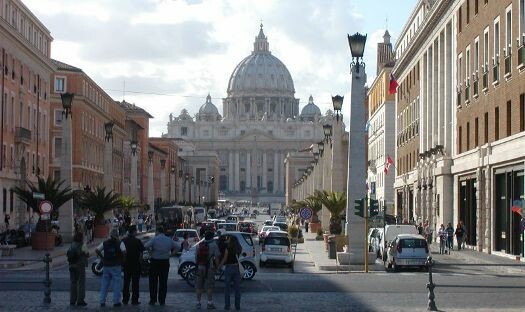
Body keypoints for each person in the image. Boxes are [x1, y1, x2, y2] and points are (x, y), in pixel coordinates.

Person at [144, 226, 177, 306]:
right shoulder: (169, 240)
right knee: (163, 282)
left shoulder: (154, 239)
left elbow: (146, 246)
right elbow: (178, 247)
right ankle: (162, 300)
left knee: (153, 282)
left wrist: (151, 252)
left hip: (155, 261)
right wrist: (171, 254)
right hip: (165, 262)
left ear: (158, 231)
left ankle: (153, 300)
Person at [96, 229, 127, 308]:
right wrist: (122, 261)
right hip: (116, 265)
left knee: (104, 284)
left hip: (106, 265)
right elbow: (124, 252)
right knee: (116, 284)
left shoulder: (105, 242)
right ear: (117, 235)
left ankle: (102, 301)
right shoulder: (120, 243)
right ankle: (116, 301)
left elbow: (97, 250)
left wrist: (102, 258)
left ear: (110, 235)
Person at [195, 231, 221, 309]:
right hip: (209, 268)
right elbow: (216, 258)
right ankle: (209, 303)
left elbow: (196, 258)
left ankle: (198, 303)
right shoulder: (214, 245)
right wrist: (217, 267)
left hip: (200, 267)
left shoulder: (199, 245)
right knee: (209, 286)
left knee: (199, 286)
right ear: (212, 237)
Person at [122, 225, 145, 305]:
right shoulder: (137, 241)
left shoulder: (124, 240)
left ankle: (125, 299)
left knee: (126, 282)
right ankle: (134, 300)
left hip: (126, 264)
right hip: (136, 265)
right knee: (135, 283)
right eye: (136, 231)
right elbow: (141, 253)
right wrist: (140, 262)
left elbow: (121, 252)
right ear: (134, 232)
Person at [219, 235, 242, 311]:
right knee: (237, 289)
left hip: (229, 268)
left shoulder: (227, 249)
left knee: (227, 289)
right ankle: (237, 306)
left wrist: (219, 266)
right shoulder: (239, 248)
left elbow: (225, 259)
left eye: (228, 239)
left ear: (231, 240)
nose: (227, 240)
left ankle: (227, 306)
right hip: (236, 269)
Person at [68, 231, 89, 307]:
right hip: (80, 265)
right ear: (81, 238)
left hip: (71, 265)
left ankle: (72, 300)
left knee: (73, 282)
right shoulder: (82, 245)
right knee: (81, 282)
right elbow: (87, 254)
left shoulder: (72, 244)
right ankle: (80, 300)